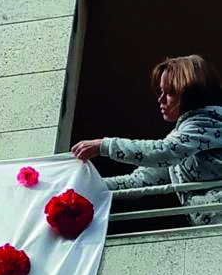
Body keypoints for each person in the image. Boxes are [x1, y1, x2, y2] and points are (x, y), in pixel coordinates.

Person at [71, 55, 222, 225]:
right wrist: (83, 187)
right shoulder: (185, 142)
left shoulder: (209, 121)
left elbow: (165, 151)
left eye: (169, 92)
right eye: (160, 92)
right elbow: (141, 180)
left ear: (191, 92)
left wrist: (104, 146)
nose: (161, 99)